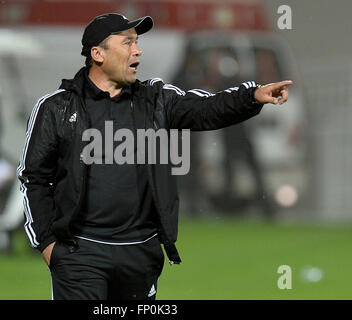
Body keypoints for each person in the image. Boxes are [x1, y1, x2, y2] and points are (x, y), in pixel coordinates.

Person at [17, 13, 292, 300]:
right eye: (127, 43)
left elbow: (205, 108)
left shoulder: (156, 100)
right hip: (80, 254)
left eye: (137, 43)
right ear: (98, 54)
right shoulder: (56, 107)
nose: (137, 51)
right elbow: (33, 178)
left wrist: (251, 96)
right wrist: (48, 244)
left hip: (139, 253)